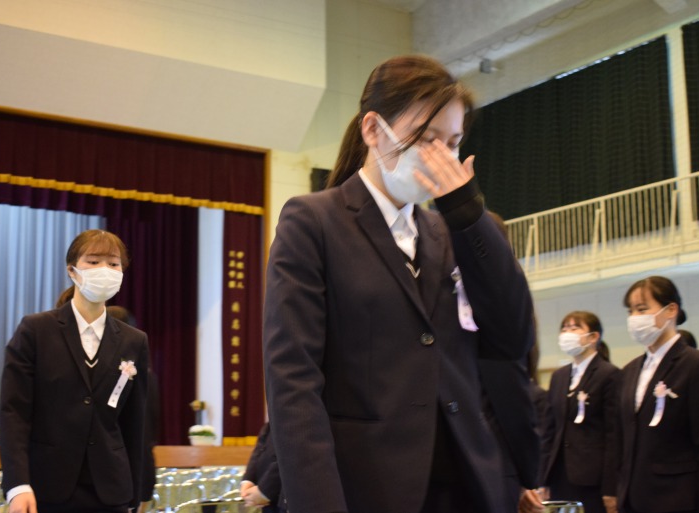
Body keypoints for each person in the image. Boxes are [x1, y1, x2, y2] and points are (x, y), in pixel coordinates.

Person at [262, 54, 536, 513]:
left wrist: (469, 216)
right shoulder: (313, 222)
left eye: (452, 143)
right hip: (366, 487)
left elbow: (513, 337)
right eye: (426, 139)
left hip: (466, 486)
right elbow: (293, 381)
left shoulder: (454, 232)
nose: (441, 158)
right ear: (374, 130)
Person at [0, 230, 149, 513]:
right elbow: (14, 413)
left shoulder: (134, 340)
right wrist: (17, 485)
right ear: (72, 271)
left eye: (113, 264)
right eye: (93, 261)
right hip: (46, 487)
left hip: (111, 490)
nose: (104, 269)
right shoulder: (35, 330)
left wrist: (135, 492)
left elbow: (135, 423)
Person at [618, 276, 699, 513]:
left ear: (671, 310)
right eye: (631, 311)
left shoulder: (697, 364)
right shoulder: (630, 370)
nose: (634, 318)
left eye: (642, 309)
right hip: (634, 496)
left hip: (676, 497)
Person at [535, 311, 620, 513]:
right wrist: (542, 478)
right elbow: (549, 430)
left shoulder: (609, 374)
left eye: (575, 328)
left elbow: (613, 435)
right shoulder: (559, 376)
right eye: (564, 329)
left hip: (592, 476)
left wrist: (611, 487)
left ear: (593, 337)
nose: (567, 333)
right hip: (559, 473)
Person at [106, 305, 161, 510]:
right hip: (136, 470)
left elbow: (143, 430)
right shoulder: (148, 374)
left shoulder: (135, 374)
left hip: (121, 474)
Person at [240, 422, 282, 512]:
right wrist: (249, 480)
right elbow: (261, 446)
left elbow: (292, 453)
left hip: (285, 496)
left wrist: (265, 491)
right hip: (267, 499)